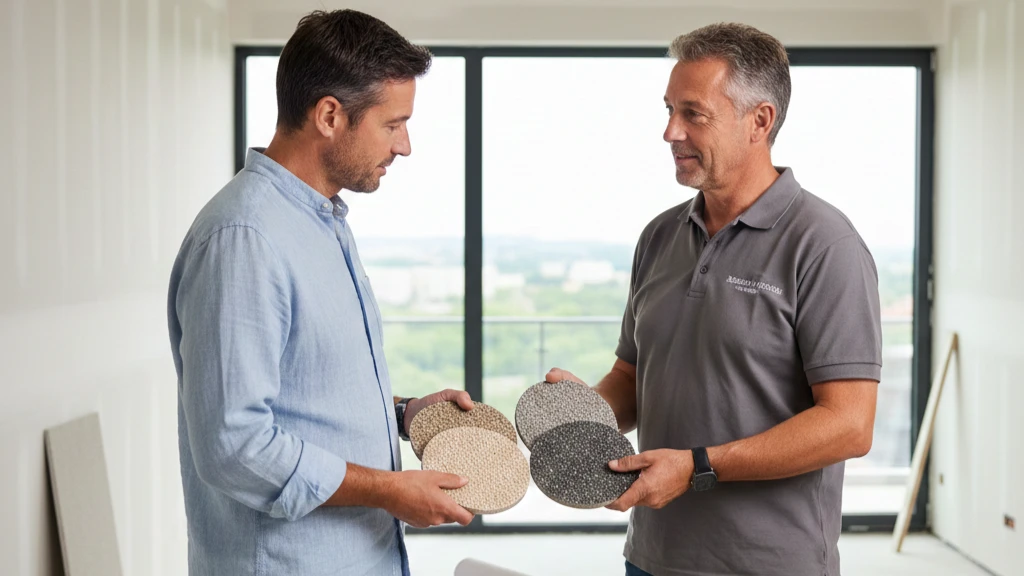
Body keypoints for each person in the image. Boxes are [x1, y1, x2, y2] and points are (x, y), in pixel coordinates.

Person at [547, 23, 882, 576]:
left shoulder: (826, 245)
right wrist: (580, 416)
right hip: (653, 557)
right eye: (669, 110)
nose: (670, 132)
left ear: (760, 121)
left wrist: (699, 466)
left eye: (692, 113)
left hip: (768, 564)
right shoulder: (659, 236)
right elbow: (633, 380)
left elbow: (849, 424)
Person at [167, 9, 474, 576]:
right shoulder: (245, 238)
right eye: (393, 124)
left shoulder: (322, 221)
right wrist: (389, 489)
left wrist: (405, 415)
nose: (405, 145)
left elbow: (304, 396)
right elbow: (236, 444)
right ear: (330, 115)